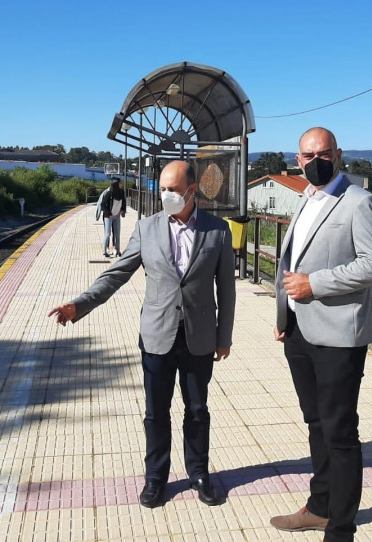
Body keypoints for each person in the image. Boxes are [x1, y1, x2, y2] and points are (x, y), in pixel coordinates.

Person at [48, 160, 236, 509]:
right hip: (157, 335)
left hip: (199, 337)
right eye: (162, 189)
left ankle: (199, 474)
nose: (166, 195)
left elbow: (226, 288)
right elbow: (116, 274)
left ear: (192, 190)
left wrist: (224, 337)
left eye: (174, 191)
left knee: (197, 409)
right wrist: (79, 305)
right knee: (155, 411)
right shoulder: (146, 228)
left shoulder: (217, 230)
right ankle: (156, 478)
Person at [269, 127, 372, 542]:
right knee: (316, 424)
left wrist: (314, 285)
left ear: (337, 155)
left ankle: (341, 529)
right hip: (301, 331)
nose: (315, 160)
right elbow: (291, 262)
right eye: (307, 154)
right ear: (297, 160)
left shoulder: (359, 201)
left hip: (339, 335)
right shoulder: (306, 199)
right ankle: (319, 507)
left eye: (322, 153)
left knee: (339, 432)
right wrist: (286, 315)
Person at [100, 177, 126, 257]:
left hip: (117, 215)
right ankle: (104, 251)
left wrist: (122, 210)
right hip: (108, 216)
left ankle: (117, 250)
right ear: (116, 184)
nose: (121, 184)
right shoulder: (109, 193)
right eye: (120, 183)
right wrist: (109, 214)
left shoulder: (121, 192)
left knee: (117, 234)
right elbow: (103, 205)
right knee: (107, 233)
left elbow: (124, 203)